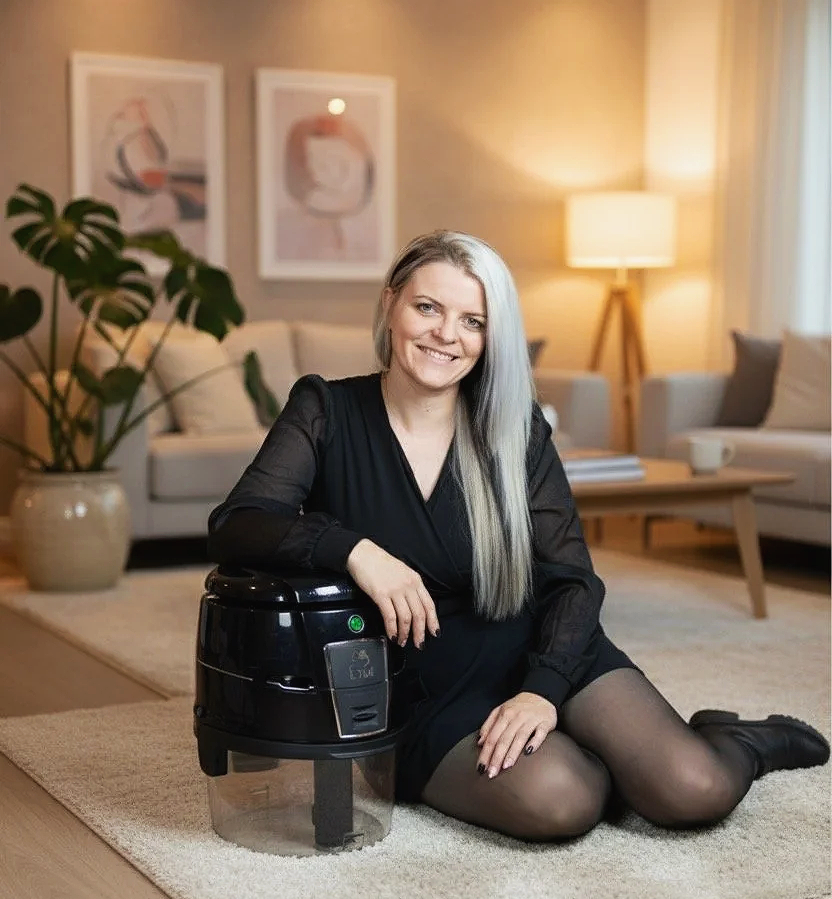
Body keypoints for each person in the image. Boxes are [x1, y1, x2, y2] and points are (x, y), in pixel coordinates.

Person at [206, 231, 830, 842]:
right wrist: (354, 550)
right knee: (563, 801)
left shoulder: (514, 428)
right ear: (391, 304)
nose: (446, 335)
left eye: (472, 321)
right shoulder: (324, 410)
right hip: (420, 686)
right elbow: (238, 523)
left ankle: (738, 737)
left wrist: (543, 691)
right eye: (428, 307)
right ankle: (605, 761)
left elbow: (573, 578)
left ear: (490, 336)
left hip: (534, 647)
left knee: (693, 787)